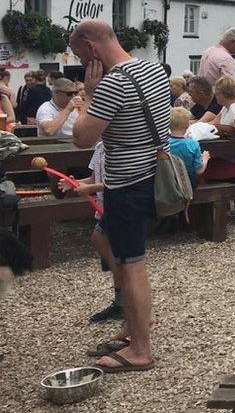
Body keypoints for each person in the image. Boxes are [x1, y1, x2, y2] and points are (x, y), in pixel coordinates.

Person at [70, 19, 170, 373]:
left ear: (92, 48)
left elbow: (81, 138)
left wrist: (90, 94)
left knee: (131, 264)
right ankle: (134, 324)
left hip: (127, 182)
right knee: (103, 236)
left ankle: (140, 349)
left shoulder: (111, 84)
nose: (80, 63)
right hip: (148, 173)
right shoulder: (154, 68)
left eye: (79, 54)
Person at [57, 141, 119, 324]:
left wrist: (89, 189)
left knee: (114, 255)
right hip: (102, 208)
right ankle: (120, 303)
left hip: (117, 207)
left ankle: (125, 302)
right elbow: (94, 179)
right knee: (111, 258)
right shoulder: (100, 147)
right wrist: (73, 183)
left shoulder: (120, 148)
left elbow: (117, 183)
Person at [167, 107, 209, 189]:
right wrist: (205, 158)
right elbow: (199, 170)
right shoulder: (192, 144)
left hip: (169, 181)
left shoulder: (165, 143)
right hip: (188, 182)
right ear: (187, 126)